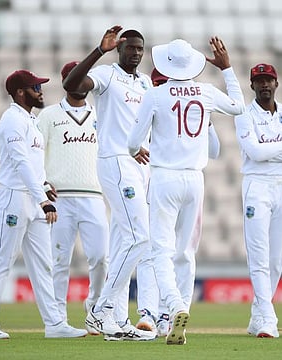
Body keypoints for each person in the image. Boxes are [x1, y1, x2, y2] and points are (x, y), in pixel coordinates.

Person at [128, 37, 244, 345]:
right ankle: (177, 316)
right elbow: (239, 107)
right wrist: (228, 69)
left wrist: (136, 149)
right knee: (186, 251)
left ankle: (173, 305)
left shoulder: (154, 95)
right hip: (195, 180)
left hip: (164, 178)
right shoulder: (205, 92)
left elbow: (131, 142)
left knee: (159, 251)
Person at [0, 70, 88, 339]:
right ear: (20, 93)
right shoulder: (12, 120)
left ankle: (55, 324)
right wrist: (42, 199)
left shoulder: (31, 121)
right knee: (2, 260)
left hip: (34, 198)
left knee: (43, 264)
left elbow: (34, 164)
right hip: (14, 197)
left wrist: (45, 185)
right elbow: (20, 162)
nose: (41, 91)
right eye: (36, 87)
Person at [63, 26, 157, 341]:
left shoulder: (145, 82)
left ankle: (117, 319)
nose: (136, 53)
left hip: (139, 165)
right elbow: (71, 83)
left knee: (122, 244)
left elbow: (143, 123)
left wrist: (140, 144)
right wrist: (98, 51)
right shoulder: (106, 75)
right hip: (115, 163)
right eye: (130, 48)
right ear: (120, 49)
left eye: (140, 48)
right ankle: (100, 311)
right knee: (140, 238)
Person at [233, 63, 282, 338]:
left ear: (277, 84)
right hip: (257, 186)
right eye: (260, 81)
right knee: (259, 255)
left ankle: (258, 314)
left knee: (276, 257)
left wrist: (271, 151)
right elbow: (254, 153)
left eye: (269, 80)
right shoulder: (244, 115)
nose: (265, 85)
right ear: (252, 85)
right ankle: (268, 318)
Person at [37, 61, 110, 336]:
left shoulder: (101, 115)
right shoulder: (49, 116)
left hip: (93, 195)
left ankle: (95, 310)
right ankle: (56, 320)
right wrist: (43, 186)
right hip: (61, 198)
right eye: (73, 79)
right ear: (66, 81)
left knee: (101, 258)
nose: (80, 85)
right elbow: (36, 155)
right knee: (59, 260)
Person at [148, 68, 221, 337]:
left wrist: (206, 121)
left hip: (167, 187)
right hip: (163, 185)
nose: (158, 88)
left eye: (161, 83)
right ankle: (160, 315)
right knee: (165, 254)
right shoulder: (154, 104)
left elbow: (214, 150)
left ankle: (170, 314)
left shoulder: (169, 105)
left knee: (174, 253)